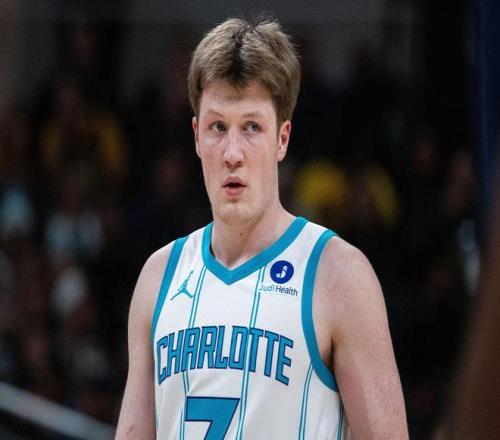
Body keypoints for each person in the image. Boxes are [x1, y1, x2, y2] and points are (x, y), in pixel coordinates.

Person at [116, 17, 408, 439]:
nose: (232, 153)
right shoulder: (158, 277)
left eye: (251, 127)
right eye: (218, 127)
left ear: (282, 138)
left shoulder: (340, 275)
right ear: (196, 136)